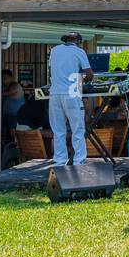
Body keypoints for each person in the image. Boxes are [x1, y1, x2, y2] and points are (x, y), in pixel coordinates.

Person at [47, 31, 93, 165]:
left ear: (65, 40)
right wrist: (79, 79)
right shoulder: (79, 51)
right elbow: (89, 75)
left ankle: (59, 161)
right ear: (78, 41)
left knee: (58, 130)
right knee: (77, 129)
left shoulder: (54, 50)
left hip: (54, 93)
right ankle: (79, 161)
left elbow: (53, 71)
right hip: (71, 93)